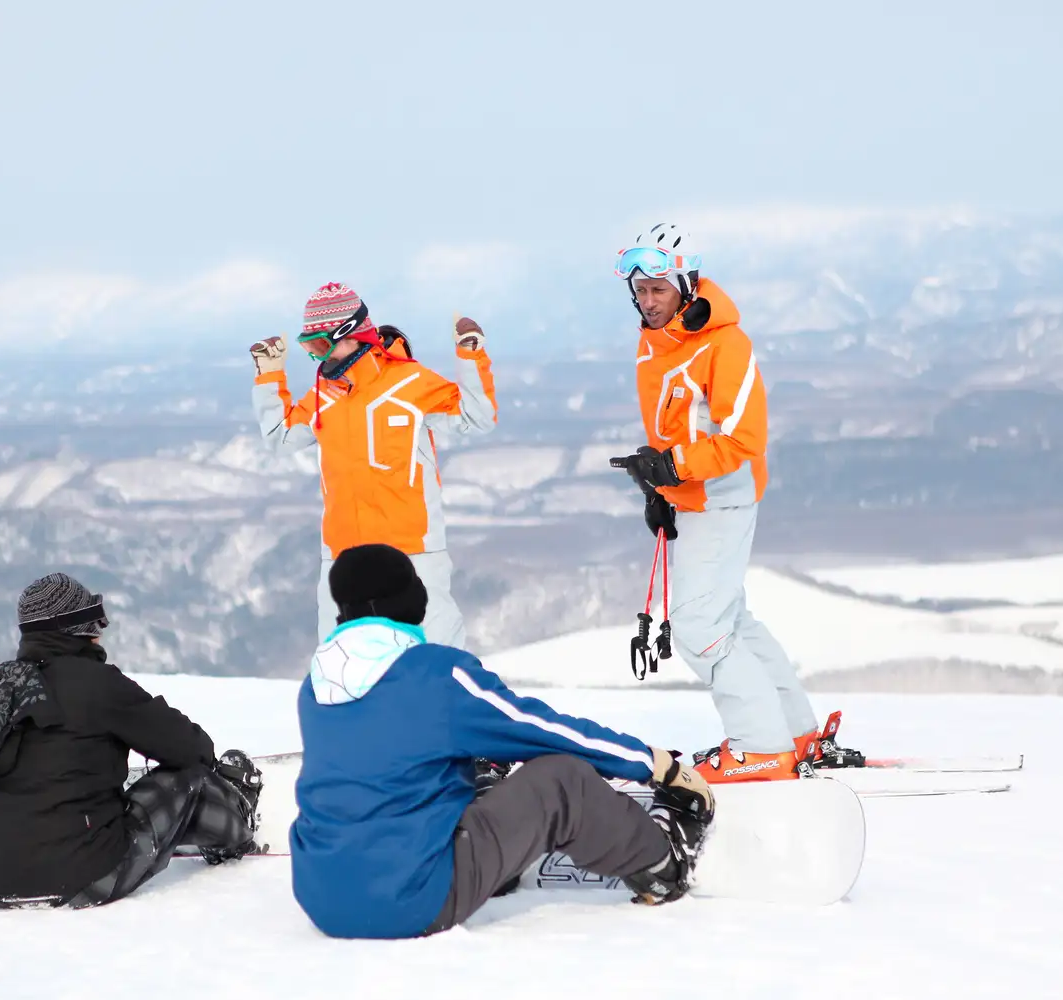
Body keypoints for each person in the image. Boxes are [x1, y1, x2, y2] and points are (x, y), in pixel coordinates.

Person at [289, 543, 714, 939]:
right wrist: (651, 763)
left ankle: (496, 870)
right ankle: (661, 865)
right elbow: (540, 730)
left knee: (467, 780)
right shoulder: (436, 674)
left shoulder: (315, 686)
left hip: (320, 899)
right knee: (561, 781)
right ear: (401, 602)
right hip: (412, 903)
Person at [609, 223, 863, 782]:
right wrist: (661, 486)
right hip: (693, 499)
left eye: (659, 288)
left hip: (722, 496)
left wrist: (673, 468)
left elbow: (744, 439)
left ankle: (760, 747)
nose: (648, 301)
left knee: (700, 627)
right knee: (732, 620)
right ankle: (795, 735)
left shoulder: (724, 344)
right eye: (640, 289)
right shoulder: (658, 341)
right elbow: (680, 428)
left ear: (685, 284)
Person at [0, 572, 265, 909]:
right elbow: (190, 749)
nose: (100, 633)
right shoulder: (96, 684)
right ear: (80, 629)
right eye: (95, 622)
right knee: (190, 781)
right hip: (78, 878)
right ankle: (236, 827)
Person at [250, 281, 498, 647]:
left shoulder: (410, 382)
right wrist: (269, 374)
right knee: (342, 659)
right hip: (342, 556)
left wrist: (470, 355)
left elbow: (478, 416)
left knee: (432, 656)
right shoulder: (325, 395)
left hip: (411, 550)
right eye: (310, 348)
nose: (318, 357)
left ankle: (442, 704)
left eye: (321, 345)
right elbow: (281, 436)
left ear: (349, 333)